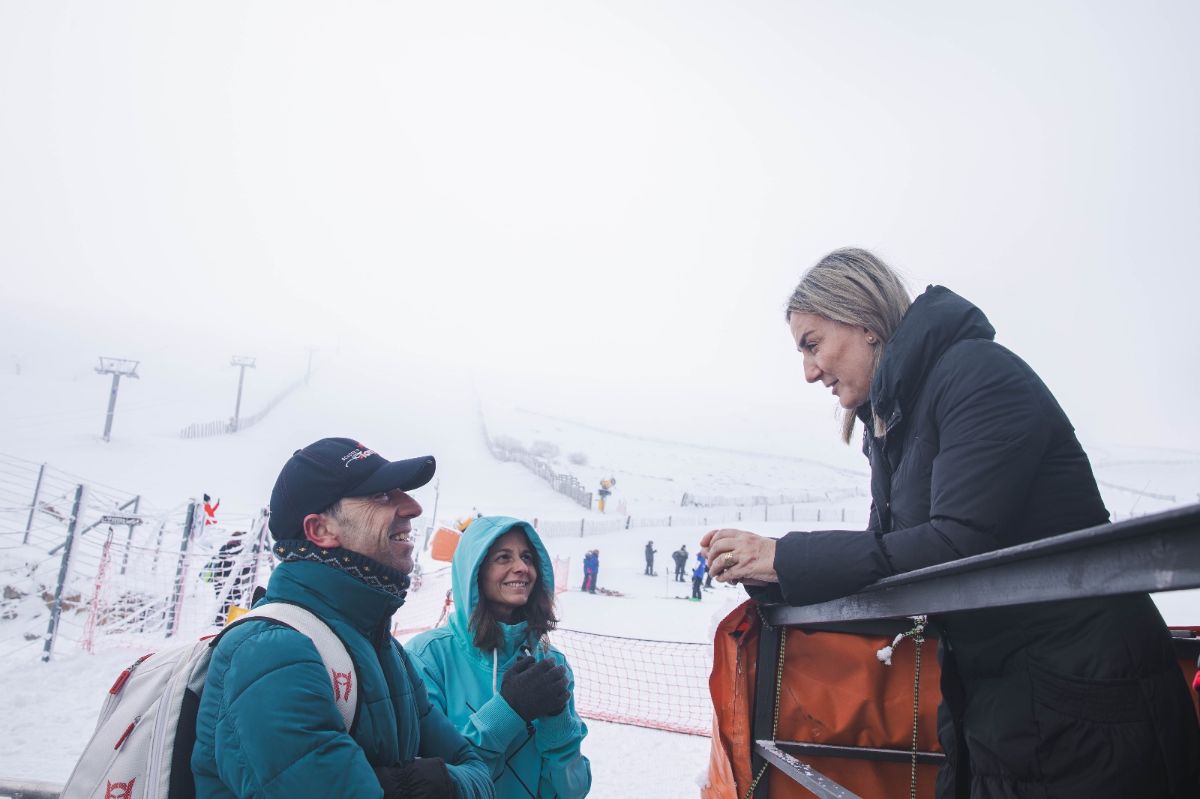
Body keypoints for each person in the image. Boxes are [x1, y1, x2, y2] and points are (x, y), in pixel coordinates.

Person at [701, 248, 1200, 798]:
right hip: (994, 702)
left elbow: (955, 545)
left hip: (1086, 699)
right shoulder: (894, 422)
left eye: (812, 345)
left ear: (863, 321)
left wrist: (786, 556)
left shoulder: (978, 375)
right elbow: (890, 555)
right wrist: (773, 573)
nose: (809, 372)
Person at [192, 437, 493, 799]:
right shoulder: (270, 655)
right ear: (320, 530)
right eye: (381, 496)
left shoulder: (385, 648)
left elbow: (477, 770)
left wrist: (443, 784)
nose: (413, 507)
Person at [407, 516, 592, 798]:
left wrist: (558, 725)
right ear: (474, 571)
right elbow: (432, 782)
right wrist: (507, 711)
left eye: (527, 557)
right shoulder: (427, 658)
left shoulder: (550, 664)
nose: (522, 568)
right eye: (503, 557)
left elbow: (573, 790)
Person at [203, 532, 251, 625]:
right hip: (236, 584)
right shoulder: (242, 551)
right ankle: (230, 624)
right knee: (234, 605)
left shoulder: (223, 549)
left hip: (220, 582)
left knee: (221, 603)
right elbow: (246, 570)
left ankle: (218, 622)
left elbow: (216, 564)